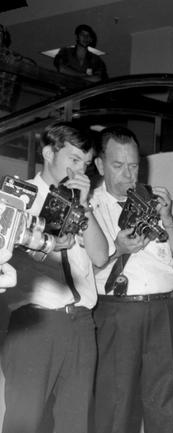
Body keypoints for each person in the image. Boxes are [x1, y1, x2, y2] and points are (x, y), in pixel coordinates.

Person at [1, 121, 108, 433]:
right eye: (74, 160)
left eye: (86, 165)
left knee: (75, 423)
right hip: (36, 324)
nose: (80, 172)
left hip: (81, 324)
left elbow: (101, 256)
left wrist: (84, 206)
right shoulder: (17, 197)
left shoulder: (82, 204)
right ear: (48, 153)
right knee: (24, 423)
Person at [90, 126, 173, 433]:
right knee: (114, 408)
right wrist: (116, 251)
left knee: (165, 408)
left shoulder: (158, 201)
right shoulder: (89, 207)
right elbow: (81, 273)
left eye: (134, 166)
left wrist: (169, 221)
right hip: (115, 313)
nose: (128, 175)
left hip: (164, 312)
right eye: (118, 166)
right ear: (99, 165)